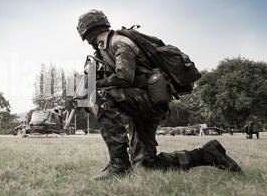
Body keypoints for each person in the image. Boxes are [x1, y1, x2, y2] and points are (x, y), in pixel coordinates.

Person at [76, 9, 242, 180]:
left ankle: (119, 164)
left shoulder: (118, 42)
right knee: (146, 164)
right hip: (147, 101)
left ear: (86, 33)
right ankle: (207, 154)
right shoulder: (104, 49)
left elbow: (125, 76)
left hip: (147, 99)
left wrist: (94, 87)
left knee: (102, 98)